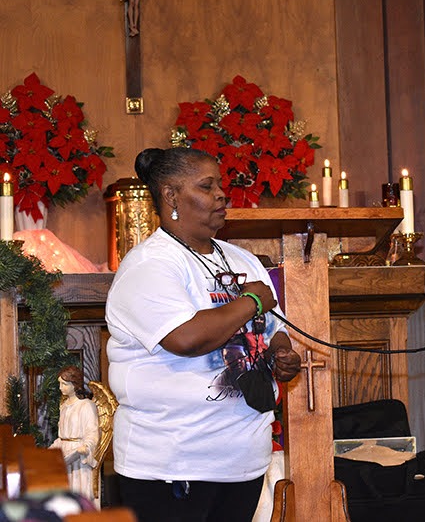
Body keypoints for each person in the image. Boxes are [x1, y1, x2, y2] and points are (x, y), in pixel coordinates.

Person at [105, 147, 302, 522]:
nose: (221, 195)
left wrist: (281, 353)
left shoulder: (241, 259)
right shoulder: (149, 264)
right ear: (171, 195)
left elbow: (275, 327)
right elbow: (186, 338)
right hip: (174, 462)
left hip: (242, 459)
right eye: (206, 186)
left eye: (220, 185)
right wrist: (251, 301)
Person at [49, 366, 99, 507]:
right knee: (65, 495)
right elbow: (62, 436)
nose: (60, 388)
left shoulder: (86, 405)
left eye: (64, 384)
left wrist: (86, 446)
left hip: (79, 456)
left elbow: (92, 431)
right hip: (64, 453)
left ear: (75, 384)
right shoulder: (64, 406)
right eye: (59, 383)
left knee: (79, 491)